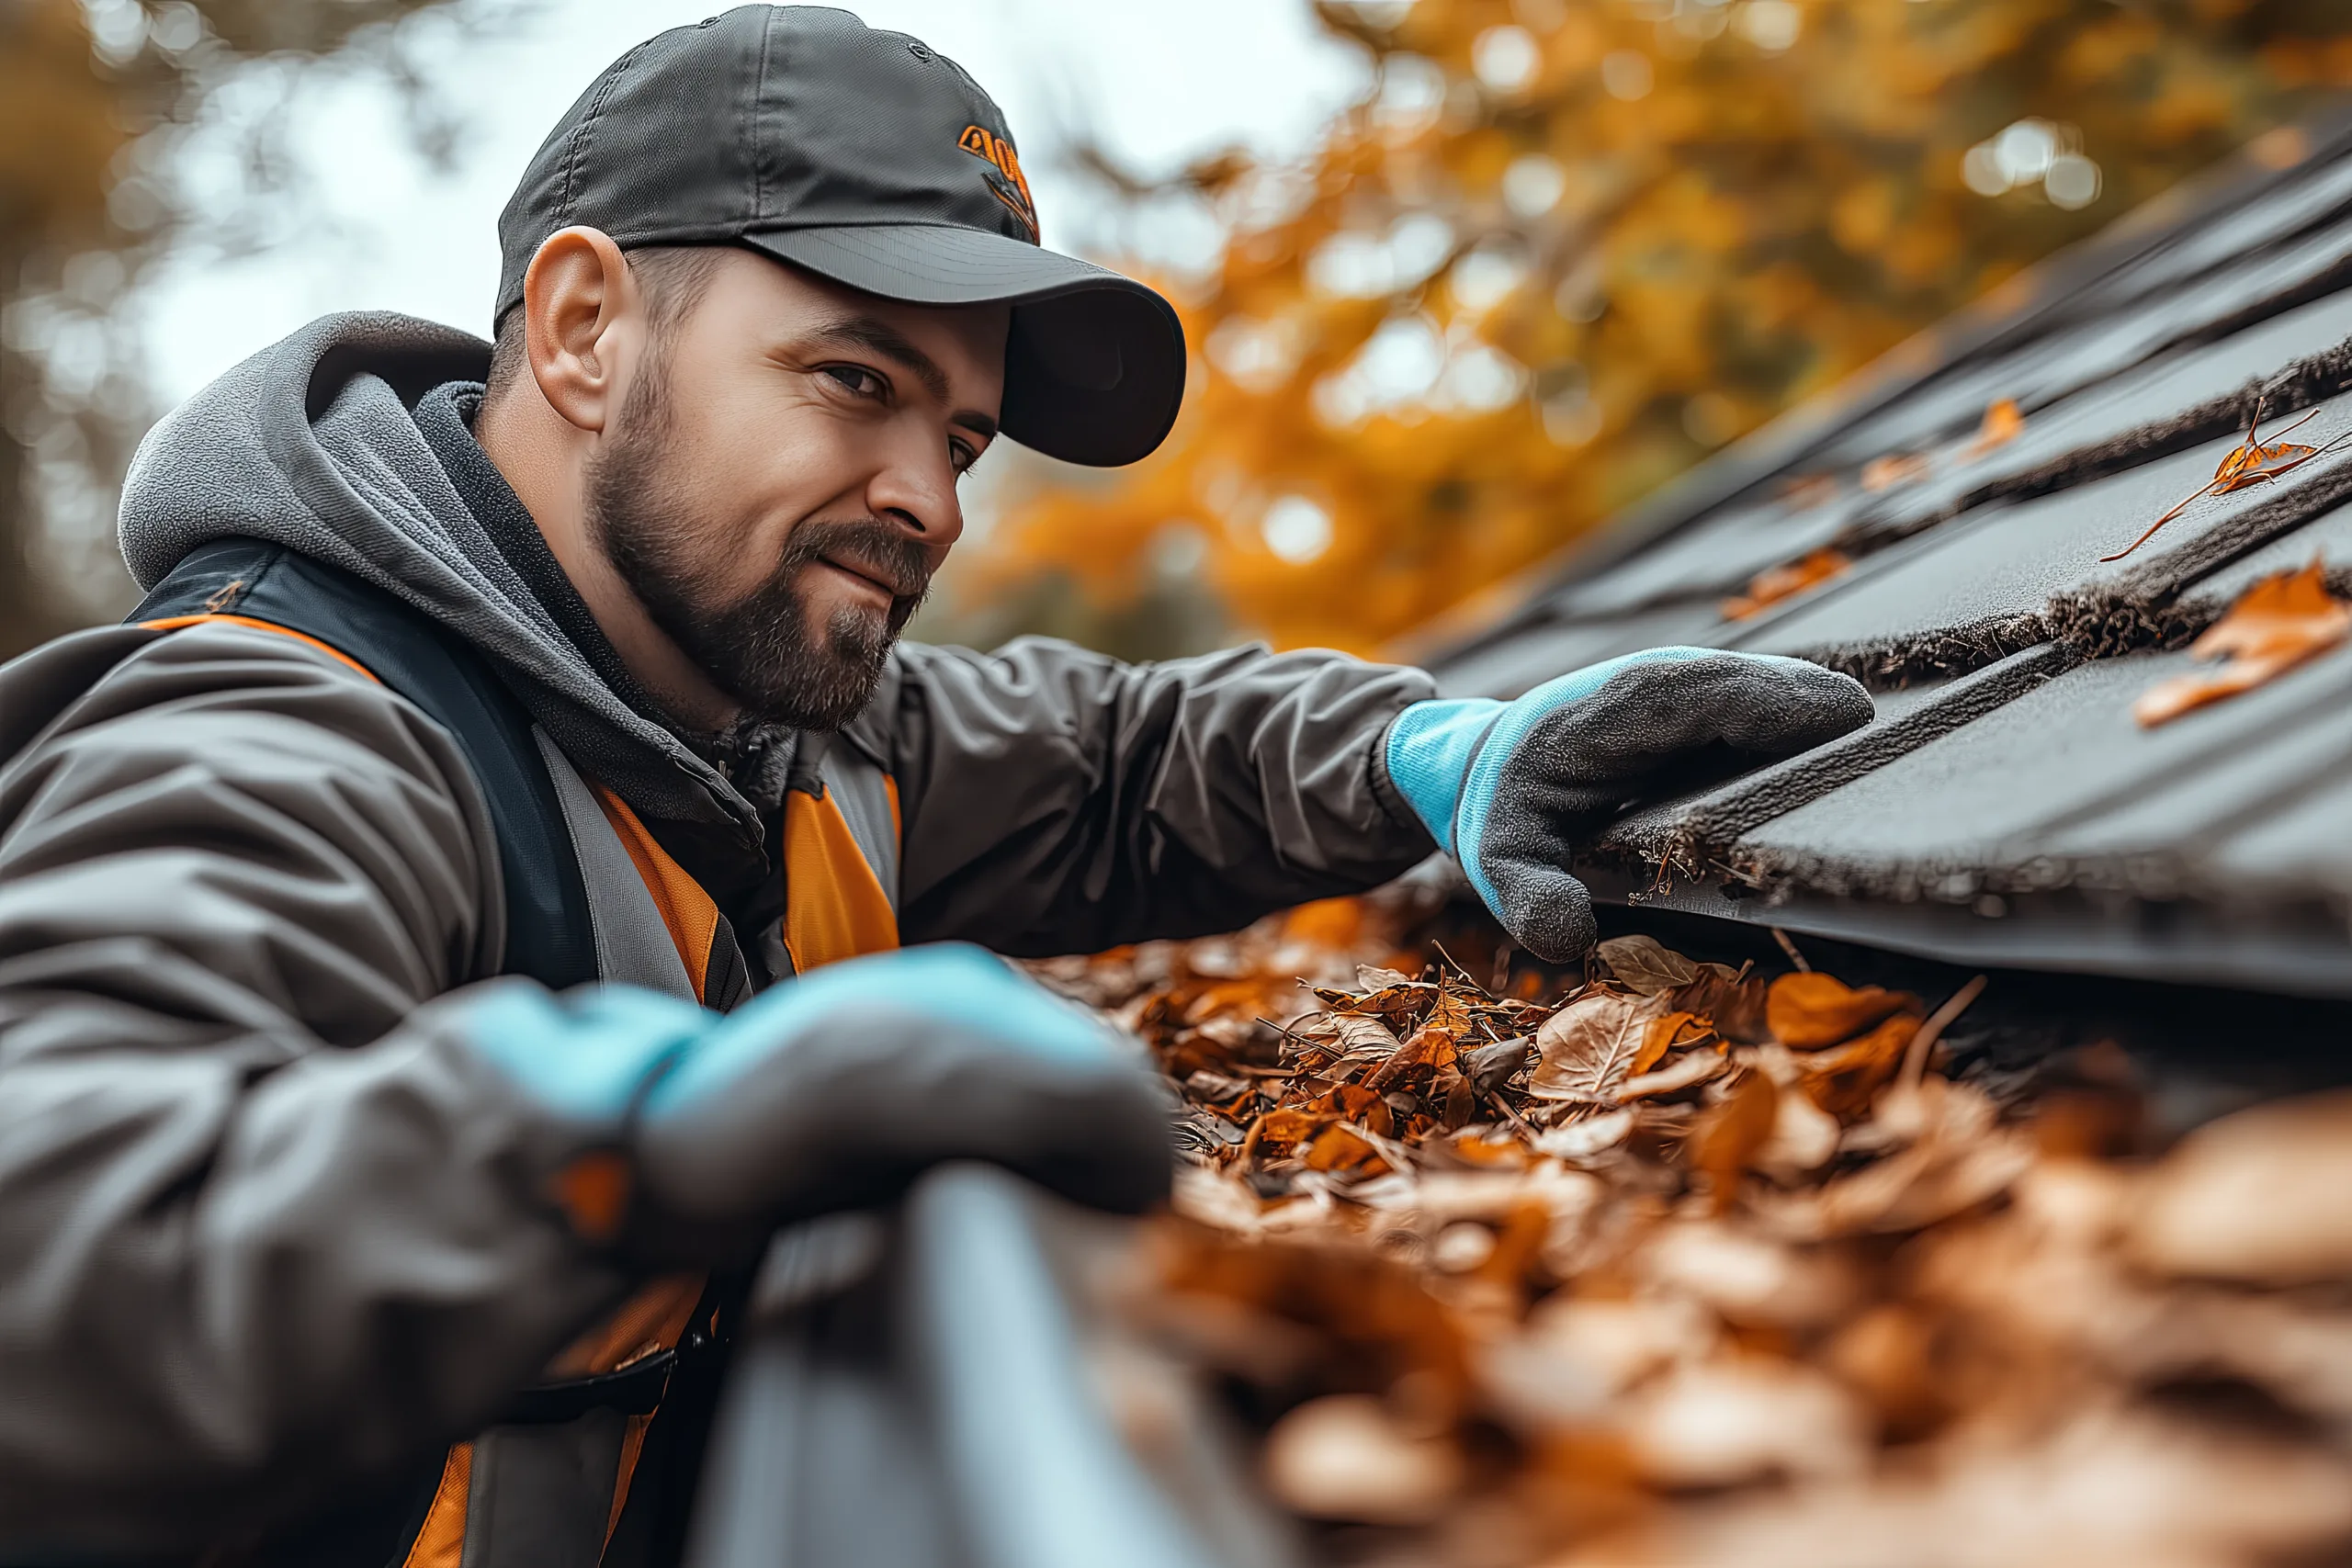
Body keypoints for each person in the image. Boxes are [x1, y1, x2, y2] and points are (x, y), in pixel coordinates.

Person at [0, 7, 1872, 1565]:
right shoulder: (287, 733)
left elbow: (1126, 761)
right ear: (580, 330)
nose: (930, 502)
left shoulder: (778, 730)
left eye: (960, 437)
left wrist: (1427, 749)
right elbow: (50, 1249)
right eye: (853, 380)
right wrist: (626, 1132)